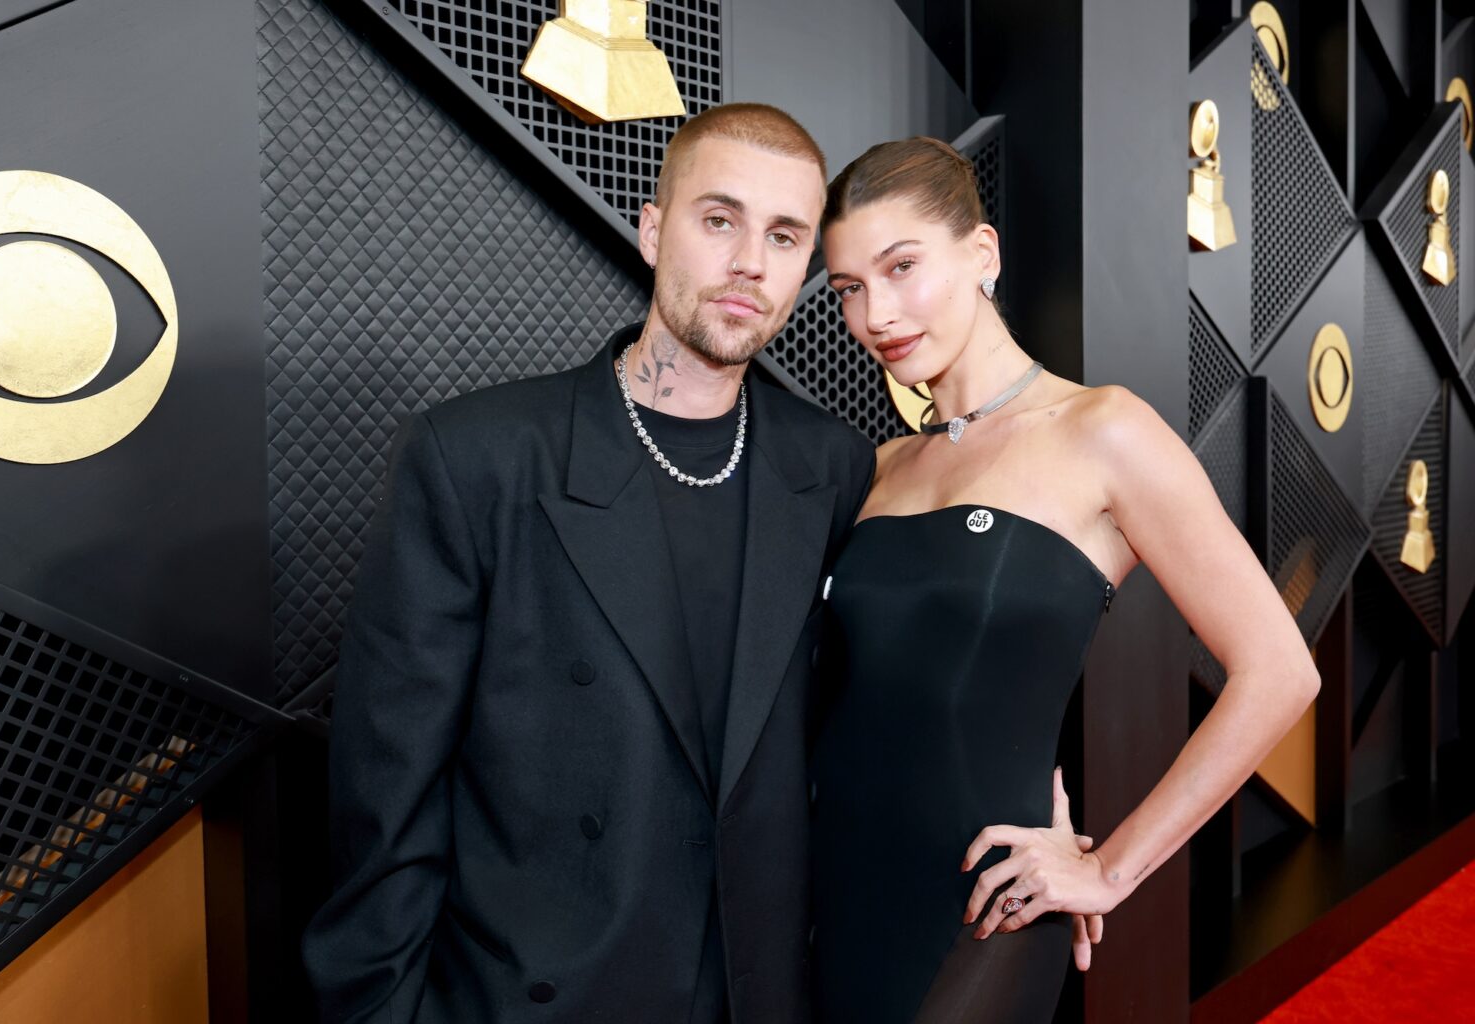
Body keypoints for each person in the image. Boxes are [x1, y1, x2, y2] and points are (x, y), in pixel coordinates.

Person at [300, 103, 876, 1024]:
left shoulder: (836, 467)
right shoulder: (479, 456)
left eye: (784, 236)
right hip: (537, 995)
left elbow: (864, 730)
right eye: (718, 219)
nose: (749, 264)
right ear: (653, 229)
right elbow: (388, 795)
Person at [808, 137, 1320, 1023]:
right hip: (832, 892)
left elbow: (1281, 670)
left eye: (900, 268)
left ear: (983, 254)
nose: (873, 314)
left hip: (987, 908)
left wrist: (1105, 868)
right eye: (850, 288)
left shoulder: (1104, 430)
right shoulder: (881, 465)